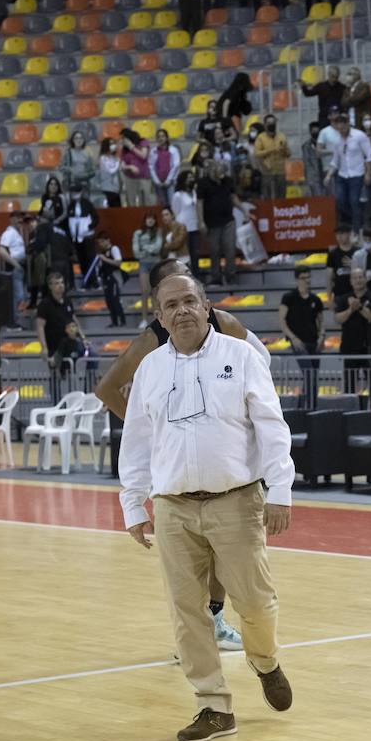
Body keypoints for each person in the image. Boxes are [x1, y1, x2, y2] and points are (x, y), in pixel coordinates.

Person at [119, 273, 295, 741]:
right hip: (173, 507)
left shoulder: (241, 357)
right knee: (186, 611)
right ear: (159, 315)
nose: (182, 311)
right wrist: (132, 502)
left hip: (236, 501)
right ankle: (213, 706)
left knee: (255, 603)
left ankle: (265, 661)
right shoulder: (150, 369)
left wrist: (280, 490)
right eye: (171, 305)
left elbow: (272, 426)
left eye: (190, 301)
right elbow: (136, 438)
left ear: (207, 306)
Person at [96, 258, 258, 650]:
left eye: (191, 293)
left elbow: (261, 365)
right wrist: (157, 433)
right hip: (179, 467)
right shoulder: (152, 343)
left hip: (229, 459)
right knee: (194, 558)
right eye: (173, 295)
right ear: (159, 302)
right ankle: (205, 627)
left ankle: (217, 620)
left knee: (231, 559)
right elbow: (107, 389)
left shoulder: (225, 324)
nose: (184, 304)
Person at [333, 267, 371, 394]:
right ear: (351, 281)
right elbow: (338, 319)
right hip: (349, 348)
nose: (358, 280)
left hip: (370, 348)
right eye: (355, 278)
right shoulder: (343, 299)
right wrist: (350, 309)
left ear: (366, 279)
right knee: (349, 384)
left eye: (361, 277)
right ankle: (350, 410)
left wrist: (359, 307)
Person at [278, 268, 324, 404]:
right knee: (309, 373)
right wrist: (292, 338)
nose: (307, 280)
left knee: (313, 376)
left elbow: (321, 321)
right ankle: (308, 407)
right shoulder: (289, 298)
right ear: (297, 279)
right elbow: (282, 320)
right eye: (304, 277)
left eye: (309, 277)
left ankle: (306, 406)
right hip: (298, 341)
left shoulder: (316, 299)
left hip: (313, 341)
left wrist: (322, 335)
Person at [328, 114, 371, 232]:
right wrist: (328, 175)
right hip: (342, 175)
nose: (341, 130)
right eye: (339, 128)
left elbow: (369, 155)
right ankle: (350, 221)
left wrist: (368, 173)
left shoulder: (359, 136)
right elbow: (335, 160)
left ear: (348, 124)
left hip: (357, 174)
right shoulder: (337, 141)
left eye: (343, 127)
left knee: (354, 201)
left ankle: (356, 229)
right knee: (340, 200)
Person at [197, 160, 238, 286]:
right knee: (214, 250)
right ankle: (216, 277)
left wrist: (244, 210)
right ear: (212, 170)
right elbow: (199, 203)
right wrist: (201, 221)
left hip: (228, 220)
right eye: (219, 171)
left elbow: (233, 197)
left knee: (230, 248)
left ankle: (230, 276)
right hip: (212, 223)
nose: (221, 174)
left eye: (222, 171)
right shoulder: (203, 183)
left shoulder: (228, 181)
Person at [35, 273, 81, 371]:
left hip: (69, 342)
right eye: (56, 283)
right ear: (50, 286)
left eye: (62, 282)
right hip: (53, 344)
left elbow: (74, 319)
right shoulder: (45, 304)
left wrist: (82, 336)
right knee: (56, 376)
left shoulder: (67, 301)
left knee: (92, 354)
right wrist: (44, 347)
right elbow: (40, 327)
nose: (60, 285)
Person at [88, 231, 127, 328]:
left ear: (107, 240)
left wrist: (104, 259)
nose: (100, 244)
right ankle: (114, 321)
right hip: (106, 279)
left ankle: (122, 321)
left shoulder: (114, 249)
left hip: (114, 277)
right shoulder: (102, 253)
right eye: (99, 242)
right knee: (109, 301)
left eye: (102, 242)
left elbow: (118, 263)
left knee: (115, 299)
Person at [0, 210, 28, 326]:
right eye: (18, 218)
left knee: (18, 296)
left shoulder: (17, 233)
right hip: (14, 268)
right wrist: (16, 264)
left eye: (21, 218)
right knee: (17, 296)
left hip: (19, 267)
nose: (20, 220)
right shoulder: (9, 233)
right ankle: (11, 322)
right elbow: (1, 251)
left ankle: (14, 320)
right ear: (12, 219)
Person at [132, 212, 164, 323]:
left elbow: (157, 248)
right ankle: (144, 319)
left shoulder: (158, 232)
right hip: (144, 264)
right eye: (148, 218)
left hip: (156, 264)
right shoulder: (138, 233)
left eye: (152, 218)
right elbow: (136, 252)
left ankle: (157, 319)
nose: (150, 221)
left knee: (156, 292)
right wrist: (149, 250)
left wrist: (144, 248)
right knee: (144, 291)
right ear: (144, 220)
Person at [254, 115, 289, 200]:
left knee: (281, 196)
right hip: (267, 171)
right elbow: (257, 153)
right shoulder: (260, 137)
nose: (271, 124)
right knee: (267, 197)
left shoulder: (282, 136)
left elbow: (288, 154)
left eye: (273, 122)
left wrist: (284, 150)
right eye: (269, 123)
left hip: (280, 171)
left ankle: (281, 211)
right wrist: (271, 150)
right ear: (265, 124)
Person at [119, 129, 154, 208]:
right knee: (131, 202)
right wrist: (130, 167)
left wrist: (131, 146)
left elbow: (143, 156)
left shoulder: (143, 142)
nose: (122, 141)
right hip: (130, 179)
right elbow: (122, 165)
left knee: (145, 201)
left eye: (123, 138)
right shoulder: (124, 149)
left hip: (143, 177)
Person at [150, 129, 181, 208]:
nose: (161, 138)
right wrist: (157, 181)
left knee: (172, 204)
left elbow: (176, 166)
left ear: (167, 138)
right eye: (158, 137)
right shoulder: (153, 151)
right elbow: (151, 167)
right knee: (162, 205)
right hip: (158, 183)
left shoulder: (173, 150)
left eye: (163, 136)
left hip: (170, 182)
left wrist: (168, 181)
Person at [97, 137, 122, 208]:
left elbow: (118, 172)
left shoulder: (114, 158)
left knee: (118, 211)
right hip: (107, 189)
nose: (113, 145)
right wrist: (118, 162)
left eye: (114, 143)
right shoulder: (103, 158)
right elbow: (111, 171)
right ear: (106, 146)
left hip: (116, 189)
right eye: (111, 144)